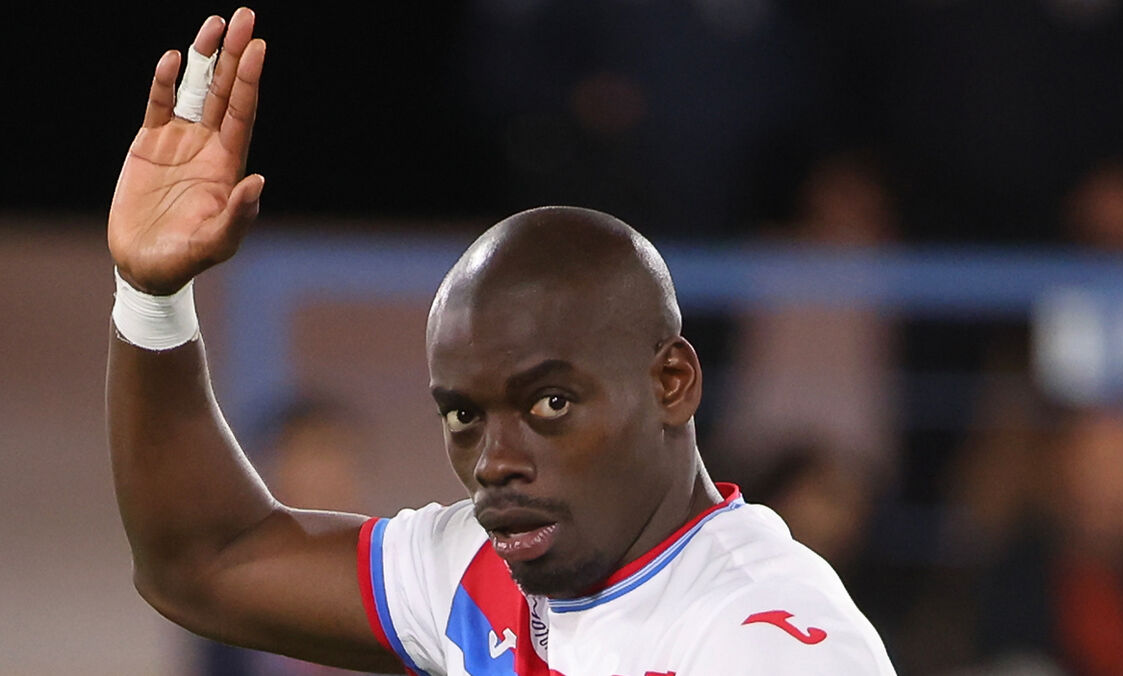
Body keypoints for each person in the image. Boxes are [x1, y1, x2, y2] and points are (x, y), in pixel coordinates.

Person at [106, 9, 895, 675]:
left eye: (550, 403)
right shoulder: (472, 574)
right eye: (464, 416)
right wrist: (151, 299)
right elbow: (205, 563)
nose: (494, 462)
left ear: (672, 383)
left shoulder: (762, 640)